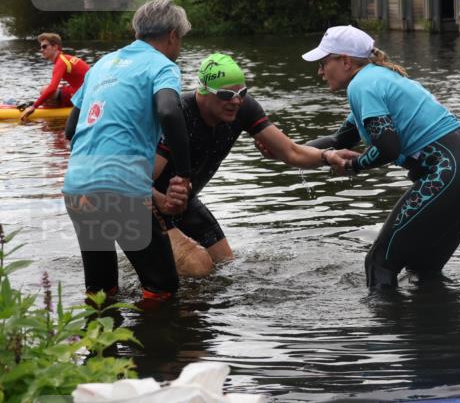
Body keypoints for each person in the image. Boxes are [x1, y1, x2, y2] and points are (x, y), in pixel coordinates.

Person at [302, 25, 460, 288]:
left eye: (324, 62)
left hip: (449, 175)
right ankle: (436, 326)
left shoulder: (362, 85)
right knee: (423, 268)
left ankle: (384, 328)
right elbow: (339, 141)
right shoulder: (377, 78)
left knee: (379, 262)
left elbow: (387, 148)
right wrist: (287, 149)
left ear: (345, 61)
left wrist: (352, 165)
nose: (320, 71)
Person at [152, 53, 359, 277]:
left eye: (242, 93)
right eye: (225, 94)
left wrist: (328, 156)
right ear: (202, 91)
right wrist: (160, 200)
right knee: (199, 267)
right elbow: (130, 178)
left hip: (184, 202)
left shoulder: (243, 109)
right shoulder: (178, 116)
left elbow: (291, 151)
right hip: (144, 203)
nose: (235, 101)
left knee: (225, 268)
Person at [63, 0, 192, 302]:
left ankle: (99, 347)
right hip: (120, 189)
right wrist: (183, 175)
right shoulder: (162, 65)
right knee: (163, 288)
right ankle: (156, 346)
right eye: (181, 39)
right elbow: (170, 111)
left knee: (101, 291)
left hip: (77, 186)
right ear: (172, 35)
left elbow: (71, 129)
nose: (180, 46)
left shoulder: (102, 64)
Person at [20, 33, 89, 122]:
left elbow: (52, 88)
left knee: (44, 90)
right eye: (41, 47)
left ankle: (39, 110)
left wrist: (34, 106)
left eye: (44, 46)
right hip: (84, 92)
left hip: (83, 95)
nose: (41, 50)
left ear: (55, 47)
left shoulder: (61, 62)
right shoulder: (64, 58)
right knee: (51, 91)